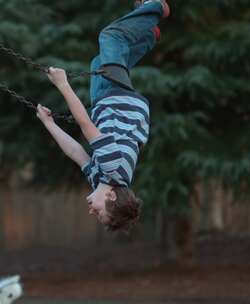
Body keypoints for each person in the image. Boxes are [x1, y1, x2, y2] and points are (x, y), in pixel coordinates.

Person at [36, 0, 170, 231]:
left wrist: (48, 123)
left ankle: (149, 35)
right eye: (98, 213)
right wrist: (63, 84)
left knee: (99, 62)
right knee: (110, 37)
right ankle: (155, 8)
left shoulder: (101, 179)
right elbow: (86, 125)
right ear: (111, 198)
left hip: (106, 103)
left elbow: (75, 151)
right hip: (119, 101)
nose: (91, 210)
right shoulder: (113, 168)